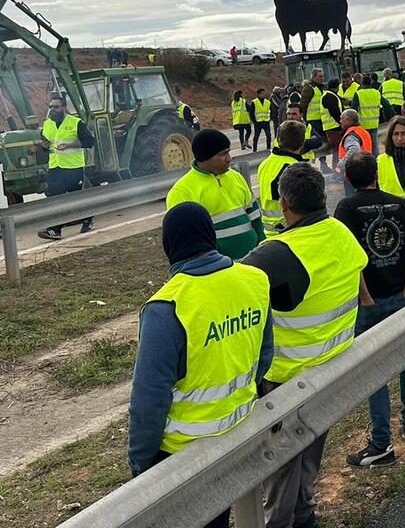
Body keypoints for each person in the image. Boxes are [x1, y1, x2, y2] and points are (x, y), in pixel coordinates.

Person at [128, 203, 273, 528]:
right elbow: (264, 358)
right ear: (211, 235)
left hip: (182, 453)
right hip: (239, 428)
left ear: (169, 246)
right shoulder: (255, 281)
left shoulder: (165, 308)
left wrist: (140, 463)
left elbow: (148, 401)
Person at [240, 165, 367, 528]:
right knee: (309, 453)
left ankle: (282, 524)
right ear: (322, 197)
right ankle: (305, 516)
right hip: (331, 367)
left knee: (280, 467)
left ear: (284, 204)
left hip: (288, 379)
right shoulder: (340, 233)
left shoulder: (279, 252)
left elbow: (235, 287)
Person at [334, 153, 405, 467]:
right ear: (377, 174)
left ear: (348, 179)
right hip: (399, 295)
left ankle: (381, 443)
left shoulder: (346, 209)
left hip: (369, 303)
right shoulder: (400, 203)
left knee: (374, 373)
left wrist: (363, 296)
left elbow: (349, 257)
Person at [166, 130, 263, 258]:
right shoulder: (182, 191)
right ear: (205, 157)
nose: (229, 158)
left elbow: (254, 215)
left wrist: (262, 246)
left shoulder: (236, 177)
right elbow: (187, 240)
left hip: (253, 261)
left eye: (228, 152)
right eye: (223, 154)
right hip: (219, 268)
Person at [38, 95, 96, 240]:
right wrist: (43, 147)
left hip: (73, 167)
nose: (52, 109)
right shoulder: (47, 124)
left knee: (75, 197)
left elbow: (89, 141)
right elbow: (46, 144)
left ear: (64, 108)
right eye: (50, 107)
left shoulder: (76, 123)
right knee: (54, 198)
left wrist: (70, 145)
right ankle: (55, 230)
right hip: (55, 167)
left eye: (56, 107)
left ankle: (88, 219)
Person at [257, 121, 310, 234]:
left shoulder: (265, 163)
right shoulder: (295, 168)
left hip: (269, 230)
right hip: (290, 229)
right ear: (302, 142)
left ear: (278, 139)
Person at [336, 109, 372, 196]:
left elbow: (354, 150)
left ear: (348, 120)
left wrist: (340, 166)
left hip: (354, 174)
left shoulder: (351, 135)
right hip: (367, 172)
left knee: (352, 201)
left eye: (342, 119)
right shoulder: (362, 131)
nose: (340, 121)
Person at [350, 78, 384, 154]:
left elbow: (353, 109)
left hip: (363, 124)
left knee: (365, 144)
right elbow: (386, 104)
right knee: (374, 144)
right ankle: (376, 161)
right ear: (371, 82)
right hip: (374, 123)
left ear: (362, 83)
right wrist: (392, 113)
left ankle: (366, 161)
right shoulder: (377, 93)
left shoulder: (358, 93)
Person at [321, 78, 344, 171]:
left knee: (336, 150)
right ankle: (337, 171)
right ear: (337, 86)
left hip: (330, 127)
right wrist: (341, 122)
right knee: (339, 149)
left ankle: (337, 171)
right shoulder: (331, 96)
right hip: (334, 127)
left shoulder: (328, 95)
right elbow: (334, 111)